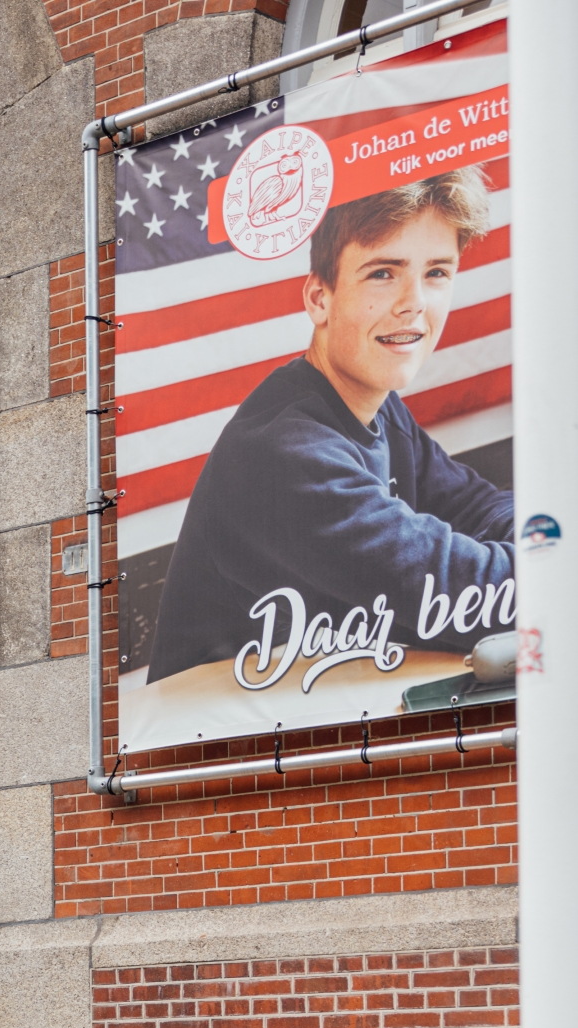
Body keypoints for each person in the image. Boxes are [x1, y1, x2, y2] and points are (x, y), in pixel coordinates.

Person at [149, 168, 515, 681]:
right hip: (225, 747)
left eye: (437, 272)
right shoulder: (285, 454)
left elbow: (477, 504)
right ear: (319, 298)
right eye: (383, 273)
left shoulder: (377, 405)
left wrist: (545, 540)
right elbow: (462, 594)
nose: (414, 303)